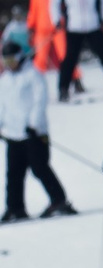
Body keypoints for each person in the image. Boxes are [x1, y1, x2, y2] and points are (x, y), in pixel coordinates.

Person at [0, 24, 75, 221]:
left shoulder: (33, 75)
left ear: (19, 57)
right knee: (13, 174)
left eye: (11, 59)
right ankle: (15, 208)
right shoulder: (5, 80)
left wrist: (33, 124)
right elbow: (2, 104)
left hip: (34, 132)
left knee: (40, 168)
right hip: (14, 134)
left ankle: (58, 200)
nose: (9, 64)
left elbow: (39, 101)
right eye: (5, 60)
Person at [23, 0, 65, 82]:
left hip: (58, 28)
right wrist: (30, 28)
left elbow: (63, 8)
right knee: (40, 59)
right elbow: (33, 13)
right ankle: (36, 81)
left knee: (65, 55)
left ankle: (76, 80)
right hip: (42, 30)